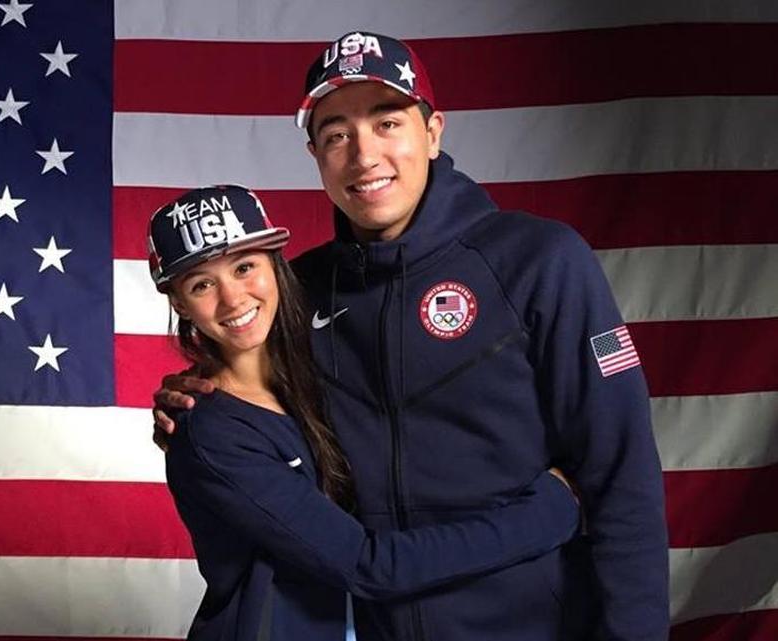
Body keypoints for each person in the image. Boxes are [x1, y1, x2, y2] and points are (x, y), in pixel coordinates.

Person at [153, 33, 668, 641]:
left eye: (387, 122)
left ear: (433, 131)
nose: (364, 155)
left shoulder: (539, 260)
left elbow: (621, 475)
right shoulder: (300, 293)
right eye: (337, 133)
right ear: (316, 153)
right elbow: (246, 392)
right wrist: (189, 397)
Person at [148, 184, 580, 641]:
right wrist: (548, 512)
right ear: (179, 303)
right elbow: (367, 565)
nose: (232, 298)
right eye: (201, 284)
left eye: (244, 267)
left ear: (276, 264)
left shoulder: (319, 369)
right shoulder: (211, 428)